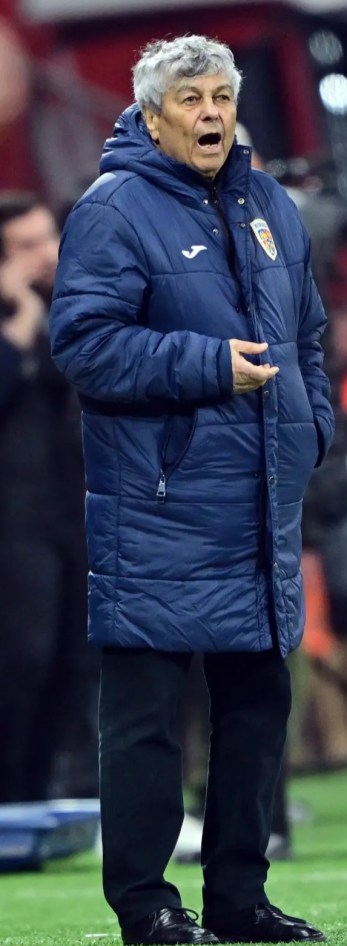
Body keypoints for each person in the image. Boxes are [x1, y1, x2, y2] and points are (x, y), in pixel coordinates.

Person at [49, 35, 334, 946]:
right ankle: (146, 903)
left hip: (258, 499)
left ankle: (240, 898)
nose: (211, 114)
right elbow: (84, 345)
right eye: (190, 101)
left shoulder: (267, 203)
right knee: (146, 720)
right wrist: (210, 365)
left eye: (221, 96)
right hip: (162, 502)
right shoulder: (113, 210)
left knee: (256, 706)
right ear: (149, 114)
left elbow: (310, 338)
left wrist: (309, 427)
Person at [0, 192, 99, 802]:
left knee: (74, 661)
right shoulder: (16, 326)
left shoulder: (74, 311)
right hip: (13, 523)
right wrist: (17, 326)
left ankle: (45, 797)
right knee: (23, 660)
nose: (47, 255)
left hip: (73, 511)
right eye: (28, 246)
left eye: (48, 239)